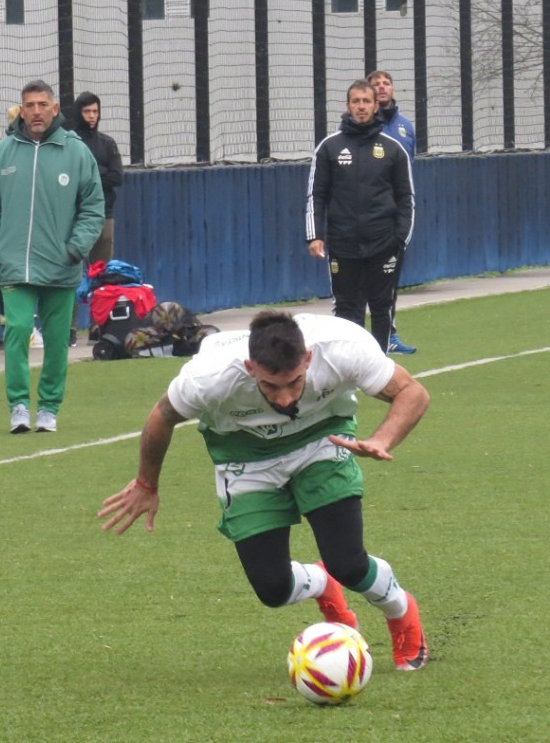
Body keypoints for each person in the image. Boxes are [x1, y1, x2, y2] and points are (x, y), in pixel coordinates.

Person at [98, 310, 430, 672]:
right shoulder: (210, 376)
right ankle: (321, 584)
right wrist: (147, 484)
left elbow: (412, 392)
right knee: (272, 589)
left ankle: (401, 612)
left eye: (295, 382)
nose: (285, 399)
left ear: (308, 359)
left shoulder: (343, 347)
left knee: (348, 563)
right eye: (271, 386)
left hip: (323, 437)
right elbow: (162, 416)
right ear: (250, 367)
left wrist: (381, 439)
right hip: (245, 454)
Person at [0, 80, 104, 434]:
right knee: (17, 330)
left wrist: (75, 248)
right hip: (14, 263)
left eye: (42, 104)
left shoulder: (76, 152)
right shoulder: (3, 152)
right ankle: (18, 405)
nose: (35, 111)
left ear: (55, 108)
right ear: (21, 109)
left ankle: (48, 407)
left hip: (60, 265)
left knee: (58, 338)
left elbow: (93, 206)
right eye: (29, 105)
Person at [305, 79, 414, 353]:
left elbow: (407, 198)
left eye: (366, 101)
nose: (361, 107)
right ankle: (347, 365)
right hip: (343, 243)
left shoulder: (392, 148)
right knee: (347, 308)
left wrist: (400, 238)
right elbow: (316, 196)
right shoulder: (329, 147)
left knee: (382, 305)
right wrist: (315, 235)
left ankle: (380, 365)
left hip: (384, 242)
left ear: (376, 106)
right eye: (356, 101)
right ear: (348, 106)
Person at [367, 70, 418, 356]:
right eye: (376, 84)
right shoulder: (362, 127)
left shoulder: (404, 127)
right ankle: (361, 339)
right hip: (366, 210)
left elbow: (409, 167)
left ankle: (389, 335)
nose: (382, 88)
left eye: (386, 83)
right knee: (360, 281)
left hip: (395, 210)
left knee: (391, 274)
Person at [68, 91, 124, 346]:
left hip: (104, 215)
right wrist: (97, 173)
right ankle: (68, 328)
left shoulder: (107, 143)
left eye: (95, 112)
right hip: (74, 216)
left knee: (102, 274)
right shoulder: (70, 142)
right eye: (87, 111)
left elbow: (117, 177)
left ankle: (98, 327)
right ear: (78, 112)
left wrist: (92, 171)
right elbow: (72, 176)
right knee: (72, 272)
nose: (92, 117)